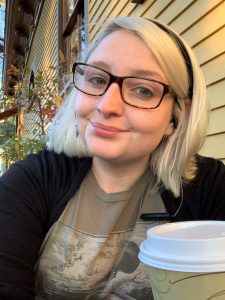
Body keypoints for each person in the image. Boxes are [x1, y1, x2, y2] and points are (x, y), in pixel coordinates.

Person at [0, 16, 225, 300]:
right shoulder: (30, 183)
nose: (108, 106)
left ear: (175, 116)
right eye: (97, 79)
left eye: (143, 90)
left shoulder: (210, 186)